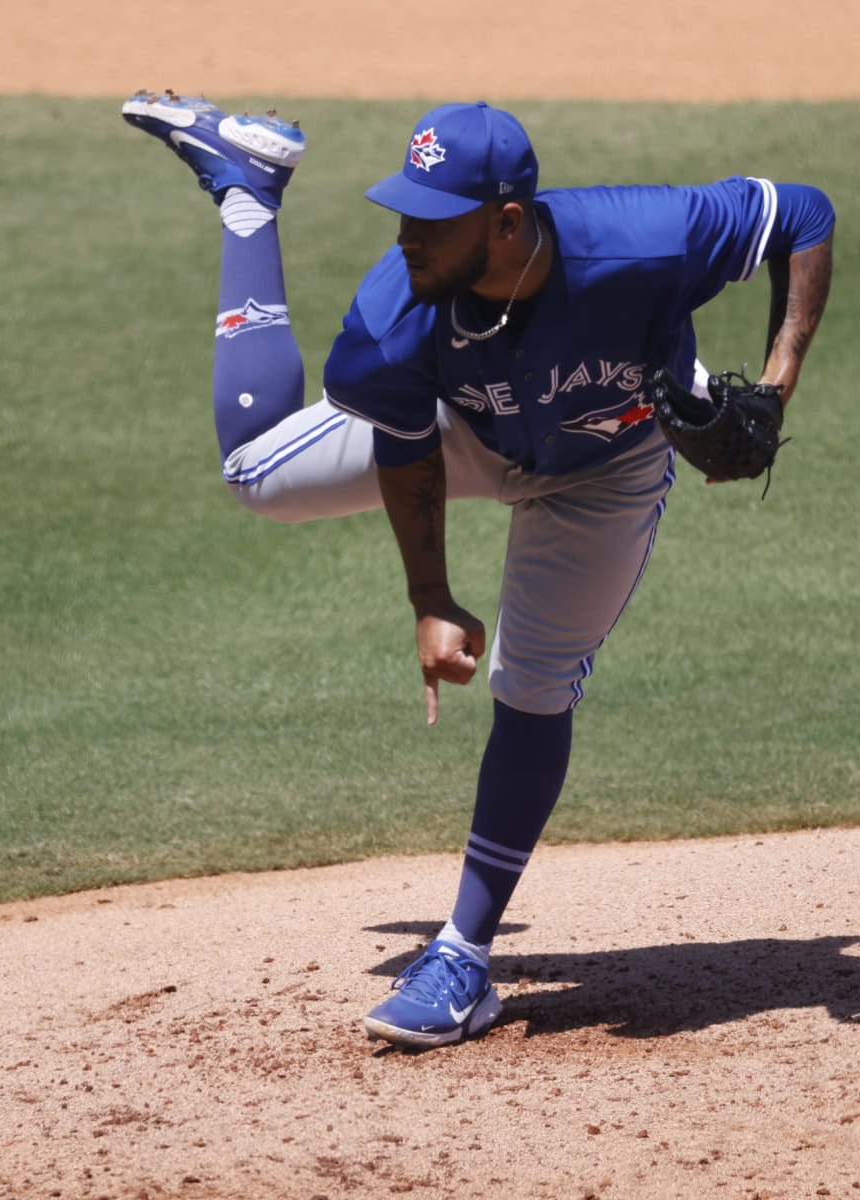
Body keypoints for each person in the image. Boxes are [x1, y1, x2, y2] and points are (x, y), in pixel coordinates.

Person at [120, 90, 835, 1048]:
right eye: (405, 212)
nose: (406, 236)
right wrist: (430, 598)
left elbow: (807, 216)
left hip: (608, 461)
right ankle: (248, 193)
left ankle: (460, 955)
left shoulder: (649, 238)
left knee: (534, 686)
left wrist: (777, 387)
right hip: (467, 432)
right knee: (256, 472)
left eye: (430, 220)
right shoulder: (395, 311)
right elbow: (404, 446)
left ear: (505, 224)